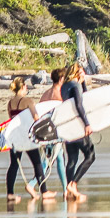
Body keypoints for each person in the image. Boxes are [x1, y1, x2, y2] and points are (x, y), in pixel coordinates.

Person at [4, 77, 47, 203]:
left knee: (13, 165)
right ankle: (44, 191)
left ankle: (10, 194)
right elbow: (36, 118)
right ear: (22, 87)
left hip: (14, 137)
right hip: (27, 137)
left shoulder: (10, 103)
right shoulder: (28, 101)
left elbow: (12, 121)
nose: (27, 88)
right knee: (37, 163)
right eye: (26, 87)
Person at [60, 63, 95, 200]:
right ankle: (73, 184)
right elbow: (80, 105)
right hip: (77, 125)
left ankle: (69, 190)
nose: (83, 73)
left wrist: (83, 83)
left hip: (67, 127)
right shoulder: (75, 86)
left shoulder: (65, 86)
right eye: (81, 72)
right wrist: (86, 124)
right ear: (76, 73)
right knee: (90, 155)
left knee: (72, 159)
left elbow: (83, 98)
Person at [36, 68, 68, 197]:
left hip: (45, 130)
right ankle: (32, 184)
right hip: (55, 131)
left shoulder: (46, 94)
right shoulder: (60, 93)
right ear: (61, 79)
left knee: (59, 158)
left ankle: (66, 190)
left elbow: (40, 112)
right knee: (48, 160)